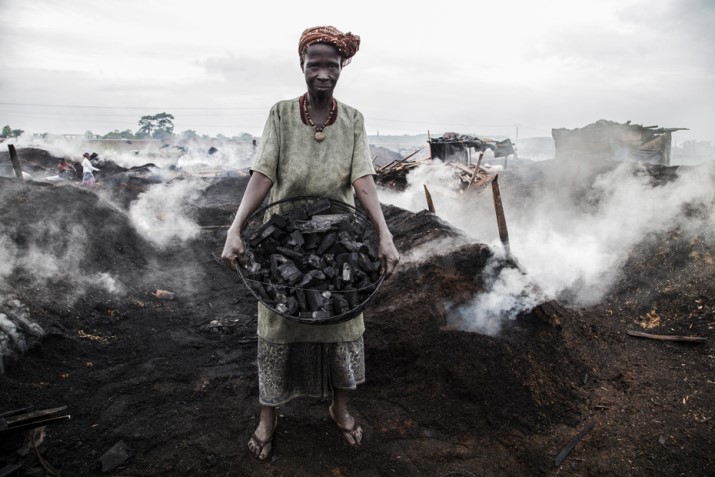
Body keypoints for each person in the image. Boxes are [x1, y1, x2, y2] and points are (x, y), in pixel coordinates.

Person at [221, 25, 400, 461]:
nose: (323, 73)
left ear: (342, 69)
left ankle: (339, 409)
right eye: (314, 64)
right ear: (301, 66)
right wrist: (235, 227)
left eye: (332, 66)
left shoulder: (353, 119)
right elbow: (262, 174)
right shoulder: (281, 114)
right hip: (284, 238)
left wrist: (383, 232)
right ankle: (269, 416)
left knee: (342, 324)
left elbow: (362, 180)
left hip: (340, 238)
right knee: (278, 326)